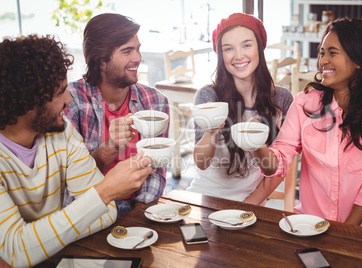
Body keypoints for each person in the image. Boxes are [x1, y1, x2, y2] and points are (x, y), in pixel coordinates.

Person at [0, 34, 152, 267]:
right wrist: (104, 191)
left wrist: (38, 243)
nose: (69, 99)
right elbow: (14, 251)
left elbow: (108, 212)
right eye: (60, 91)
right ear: (30, 104)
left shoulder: (62, 132)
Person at [254, 18, 362, 232]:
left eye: (332, 53)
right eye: (322, 53)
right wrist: (257, 146)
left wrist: (340, 234)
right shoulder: (306, 102)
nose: (323, 61)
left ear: (359, 58)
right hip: (309, 225)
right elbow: (279, 159)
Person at [64, 13, 169, 216]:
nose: (137, 58)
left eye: (138, 49)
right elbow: (72, 181)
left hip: (140, 207)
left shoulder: (156, 101)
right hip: (89, 210)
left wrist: (139, 215)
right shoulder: (71, 101)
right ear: (101, 60)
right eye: (127, 51)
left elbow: (157, 169)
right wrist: (111, 146)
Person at [186, 13, 293, 205]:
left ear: (259, 48)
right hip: (204, 198)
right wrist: (210, 133)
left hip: (249, 204)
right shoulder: (209, 97)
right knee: (191, 235)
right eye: (228, 49)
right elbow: (201, 163)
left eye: (246, 45)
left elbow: (276, 169)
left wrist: (246, 207)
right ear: (221, 55)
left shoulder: (282, 99)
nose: (239, 55)